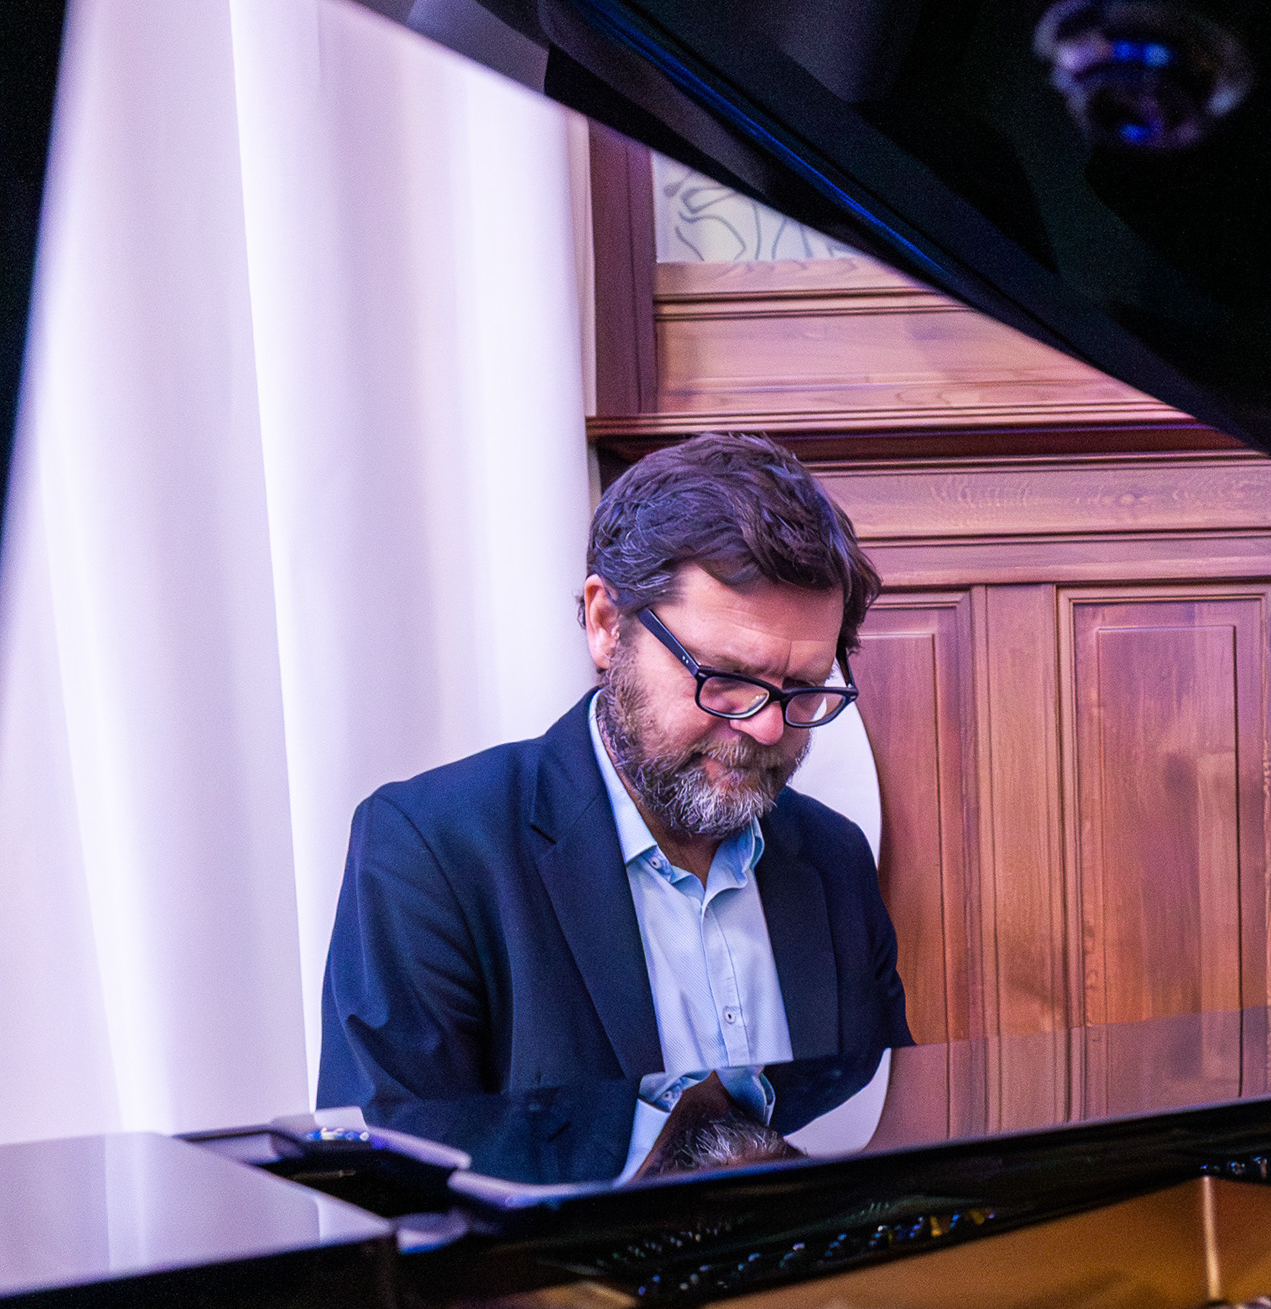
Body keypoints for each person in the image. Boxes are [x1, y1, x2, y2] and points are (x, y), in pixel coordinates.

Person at [316, 432, 910, 1129]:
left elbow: (869, 1104)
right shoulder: (428, 853)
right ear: (606, 624)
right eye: (725, 679)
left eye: (803, 688)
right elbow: (401, 1162)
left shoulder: (835, 858)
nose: (767, 728)